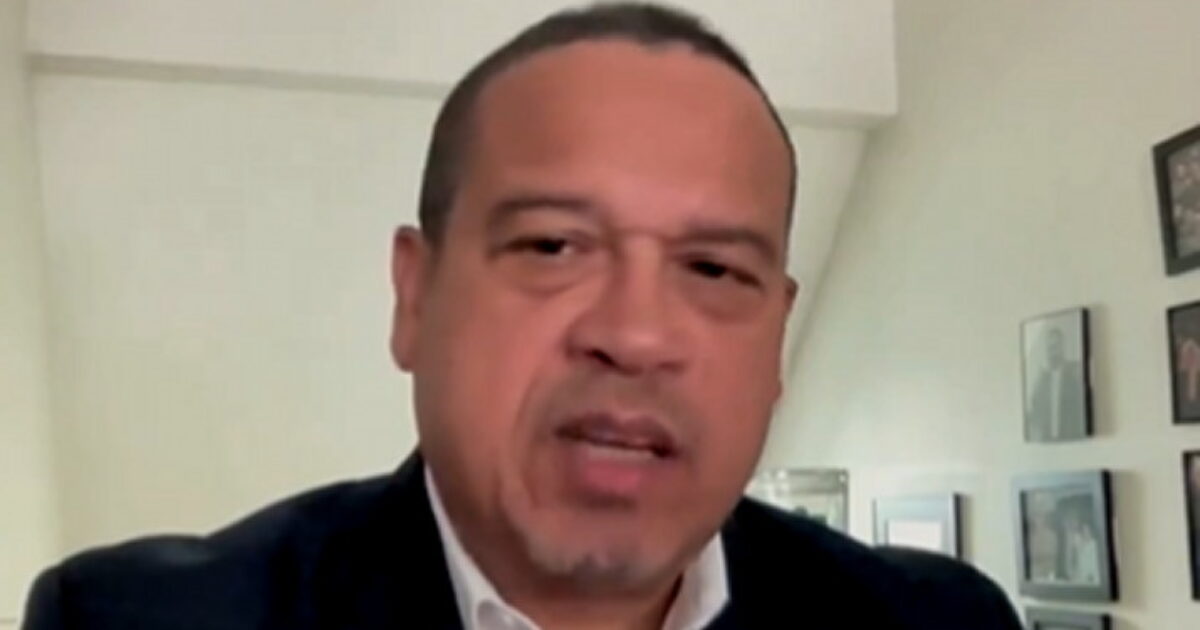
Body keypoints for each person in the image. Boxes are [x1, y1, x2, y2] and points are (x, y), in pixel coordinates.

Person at [22, 4, 1021, 629]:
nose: (636, 335)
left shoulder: (935, 624)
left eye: (714, 268)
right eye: (553, 247)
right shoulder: (135, 619)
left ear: (777, 341)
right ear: (415, 298)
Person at [1026, 326, 1087, 441]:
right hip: (1047, 439)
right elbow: (1034, 413)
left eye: (1056, 346)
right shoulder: (1040, 380)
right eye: (1050, 347)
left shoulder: (1074, 374)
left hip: (1072, 438)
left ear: (1062, 347)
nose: (1053, 351)